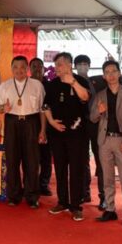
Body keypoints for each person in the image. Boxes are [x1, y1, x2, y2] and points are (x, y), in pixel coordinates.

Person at [0, 56, 46, 208]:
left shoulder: (37, 85)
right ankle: (14, 195)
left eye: (22, 67)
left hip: (32, 122)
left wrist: (43, 130)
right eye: (15, 67)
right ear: (11, 69)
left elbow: (43, 110)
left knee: (32, 161)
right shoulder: (4, 86)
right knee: (12, 160)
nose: (19, 70)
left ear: (27, 69)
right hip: (12, 122)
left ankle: (32, 196)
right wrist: (3, 108)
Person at [89, 60, 122, 228]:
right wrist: (99, 111)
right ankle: (110, 209)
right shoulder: (100, 95)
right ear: (103, 76)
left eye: (113, 71)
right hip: (104, 140)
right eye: (107, 72)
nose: (111, 75)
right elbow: (92, 117)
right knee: (107, 177)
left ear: (119, 73)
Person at [44, 52, 90, 221]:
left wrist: (73, 83)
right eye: (56, 65)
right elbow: (45, 106)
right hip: (57, 133)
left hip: (77, 133)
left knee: (77, 169)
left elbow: (85, 97)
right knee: (60, 168)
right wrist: (51, 122)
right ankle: (62, 201)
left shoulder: (80, 81)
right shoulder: (52, 84)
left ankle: (76, 205)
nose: (57, 68)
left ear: (70, 65)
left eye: (60, 64)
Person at [74, 54, 102, 208]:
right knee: (82, 159)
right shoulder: (73, 82)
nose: (82, 66)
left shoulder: (97, 81)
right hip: (80, 125)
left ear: (89, 66)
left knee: (100, 159)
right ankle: (84, 192)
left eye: (85, 64)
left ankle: (103, 195)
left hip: (96, 124)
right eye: (79, 64)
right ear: (75, 67)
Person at [30, 57, 53, 196]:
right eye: (34, 66)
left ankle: (44, 184)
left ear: (44, 69)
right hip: (30, 125)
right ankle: (31, 184)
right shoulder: (26, 85)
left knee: (45, 156)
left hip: (47, 126)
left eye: (40, 66)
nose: (37, 69)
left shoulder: (50, 86)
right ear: (30, 69)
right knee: (31, 156)